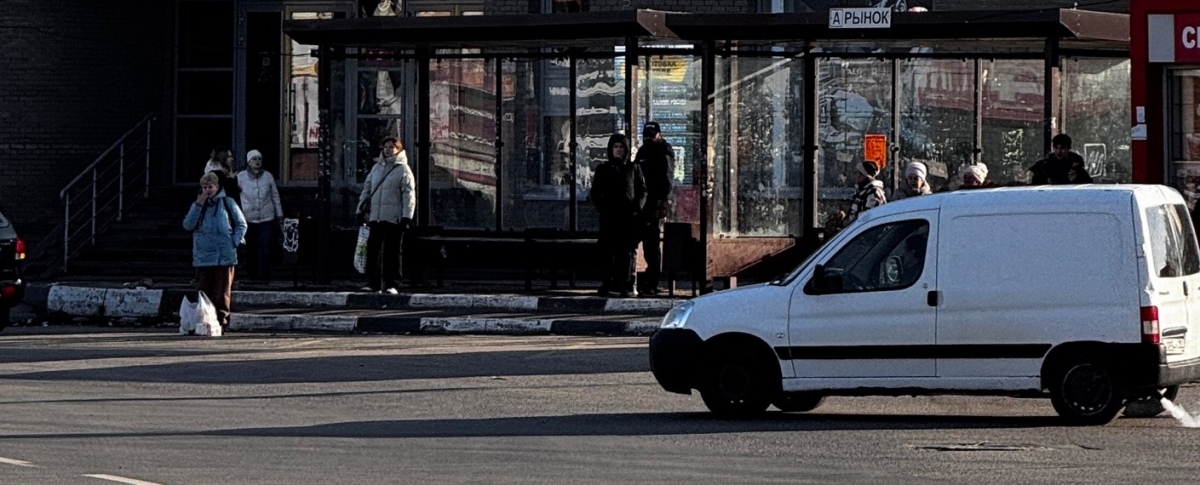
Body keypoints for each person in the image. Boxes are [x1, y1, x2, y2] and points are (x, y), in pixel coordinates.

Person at [183, 172, 247, 329]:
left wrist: (234, 242)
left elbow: (241, 223)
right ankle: (204, 320)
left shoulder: (227, 202)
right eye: (204, 187)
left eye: (210, 187)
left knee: (222, 292)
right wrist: (198, 204)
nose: (207, 190)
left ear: (217, 187)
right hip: (203, 255)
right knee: (204, 290)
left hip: (224, 255)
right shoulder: (198, 205)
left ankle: (221, 321)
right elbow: (188, 225)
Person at [357, 137, 416, 294]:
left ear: (398, 150)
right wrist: (360, 209)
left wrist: (406, 216)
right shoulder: (377, 168)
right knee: (373, 251)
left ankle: (393, 284)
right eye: (386, 146)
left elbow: (409, 195)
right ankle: (373, 283)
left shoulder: (403, 169)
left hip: (394, 218)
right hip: (376, 216)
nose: (388, 149)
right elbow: (367, 189)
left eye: (392, 147)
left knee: (393, 252)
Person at [591, 133, 646, 298]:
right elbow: (595, 192)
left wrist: (636, 207)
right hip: (609, 217)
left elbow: (642, 189)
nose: (618, 150)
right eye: (615, 147)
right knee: (607, 251)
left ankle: (626, 283)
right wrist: (603, 206)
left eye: (621, 147)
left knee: (627, 252)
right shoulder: (603, 169)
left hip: (628, 218)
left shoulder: (633, 168)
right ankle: (608, 282)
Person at [634, 121, 674, 297]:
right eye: (646, 135)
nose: (648, 138)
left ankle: (651, 282)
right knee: (638, 243)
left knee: (651, 246)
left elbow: (667, 180)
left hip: (654, 205)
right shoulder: (644, 151)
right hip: (641, 204)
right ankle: (639, 281)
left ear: (659, 134)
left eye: (652, 134)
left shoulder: (664, 151)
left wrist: (659, 203)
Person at [237, 149, 284, 281]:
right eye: (254, 159)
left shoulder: (268, 176)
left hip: (266, 216)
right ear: (249, 162)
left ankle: (264, 275)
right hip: (248, 217)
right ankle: (252, 275)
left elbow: (275, 196)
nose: (257, 162)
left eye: (259, 159)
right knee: (251, 247)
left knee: (265, 246)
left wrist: (279, 214)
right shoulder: (241, 177)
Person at [829, 161, 886, 230]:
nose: (855, 176)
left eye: (857, 173)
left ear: (863, 175)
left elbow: (868, 217)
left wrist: (847, 222)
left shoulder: (873, 192)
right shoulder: (863, 191)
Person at [1029, 133, 1094, 185]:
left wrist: (1076, 180)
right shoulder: (1045, 164)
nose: (1058, 151)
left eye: (1062, 148)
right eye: (1056, 148)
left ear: (1068, 148)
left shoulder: (1076, 166)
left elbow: (1087, 184)